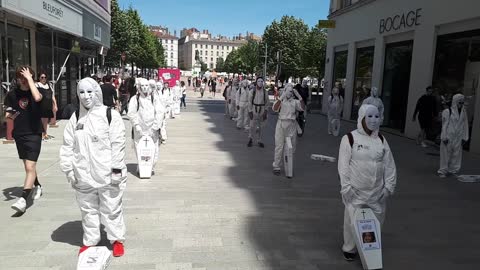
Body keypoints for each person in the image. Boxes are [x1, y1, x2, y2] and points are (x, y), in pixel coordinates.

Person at [59, 77, 127, 257]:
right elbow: (67, 145)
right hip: (83, 173)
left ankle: (117, 239)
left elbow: (118, 144)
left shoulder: (110, 115)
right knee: (87, 209)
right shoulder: (75, 118)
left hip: (106, 173)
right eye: (82, 92)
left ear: (97, 92)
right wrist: (68, 170)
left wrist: (116, 170)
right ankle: (90, 240)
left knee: (112, 207)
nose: (86, 96)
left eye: (89, 92)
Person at [338, 104, 397, 261]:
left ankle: (370, 250)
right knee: (352, 221)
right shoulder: (350, 139)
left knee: (377, 222)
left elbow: (390, 165)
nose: (373, 120)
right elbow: (343, 166)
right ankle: (350, 248)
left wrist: (388, 188)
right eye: (369, 116)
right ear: (362, 118)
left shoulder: (381, 140)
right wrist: (346, 188)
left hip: (377, 193)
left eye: (376, 116)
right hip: (355, 192)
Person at [5, 66, 44, 213]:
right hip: (20, 134)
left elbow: (37, 98)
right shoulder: (12, 94)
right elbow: (8, 114)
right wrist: (11, 115)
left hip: (34, 133)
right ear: (17, 78)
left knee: (29, 167)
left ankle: (23, 200)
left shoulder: (36, 92)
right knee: (29, 166)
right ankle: (38, 186)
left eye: (27, 77)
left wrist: (30, 80)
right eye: (22, 77)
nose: (25, 80)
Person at [128, 78, 162, 174]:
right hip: (139, 129)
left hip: (152, 129)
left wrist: (155, 127)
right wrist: (136, 125)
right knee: (139, 148)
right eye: (142, 86)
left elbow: (160, 112)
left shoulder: (154, 97)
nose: (144, 88)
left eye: (146, 85)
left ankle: (151, 166)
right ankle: (141, 166)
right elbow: (131, 113)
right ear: (139, 86)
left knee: (154, 148)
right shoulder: (135, 99)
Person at [272, 83, 305, 175]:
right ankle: (277, 166)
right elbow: (274, 108)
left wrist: (300, 97)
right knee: (279, 146)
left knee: (291, 148)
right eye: (288, 90)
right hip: (281, 123)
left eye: (291, 91)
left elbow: (302, 108)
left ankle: (288, 166)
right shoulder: (281, 101)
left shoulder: (295, 102)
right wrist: (281, 97)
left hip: (292, 124)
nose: (290, 92)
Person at [437, 94, 469, 178]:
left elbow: (465, 125)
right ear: (455, 102)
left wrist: (465, 137)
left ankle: (453, 170)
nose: (461, 104)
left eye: (462, 103)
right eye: (459, 102)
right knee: (445, 154)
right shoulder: (448, 111)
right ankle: (443, 171)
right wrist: (444, 137)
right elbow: (444, 125)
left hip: (458, 137)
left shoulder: (463, 112)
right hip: (448, 136)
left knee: (456, 154)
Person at [247, 77, 270, 148]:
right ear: (256, 82)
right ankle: (250, 138)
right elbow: (249, 102)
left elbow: (267, 102)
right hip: (254, 108)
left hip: (262, 109)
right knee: (251, 126)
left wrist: (266, 111)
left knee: (260, 126)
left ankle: (259, 140)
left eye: (261, 81)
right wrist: (250, 111)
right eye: (259, 81)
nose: (260, 83)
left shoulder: (265, 92)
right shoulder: (252, 91)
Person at [36, 72, 58, 140]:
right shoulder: (37, 85)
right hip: (40, 105)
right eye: (42, 77)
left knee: (45, 120)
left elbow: (52, 96)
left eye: (45, 77)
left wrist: (55, 105)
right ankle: (40, 134)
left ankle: (45, 133)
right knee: (41, 120)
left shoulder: (49, 85)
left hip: (48, 105)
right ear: (39, 78)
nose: (43, 79)